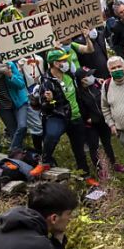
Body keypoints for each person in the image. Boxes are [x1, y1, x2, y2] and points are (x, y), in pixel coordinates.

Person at [34, 50, 94, 183]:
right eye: (63, 60)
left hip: (76, 116)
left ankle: (85, 175)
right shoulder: (46, 82)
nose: (66, 63)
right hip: (59, 116)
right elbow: (43, 106)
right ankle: (45, 161)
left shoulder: (69, 76)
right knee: (51, 136)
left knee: (79, 150)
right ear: (55, 63)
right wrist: (49, 100)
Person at [75, 67, 124, 174]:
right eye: (88, 76)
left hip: (103, 120)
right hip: (91, 125)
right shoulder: (78, 93)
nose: (91, 77)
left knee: (107, 143)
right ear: (82, 79)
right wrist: (88, 119)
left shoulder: (96, 86)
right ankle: (100, 169)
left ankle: (113, 163)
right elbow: (80, 108)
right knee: (94, 147)